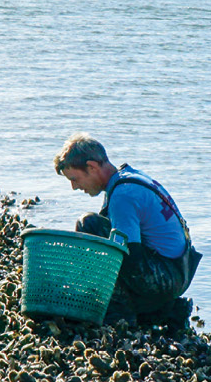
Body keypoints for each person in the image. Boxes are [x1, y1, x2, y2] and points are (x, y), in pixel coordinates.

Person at [54, 134, 201, 325]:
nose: (74, 187)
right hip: (180, 269)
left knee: (89, 224)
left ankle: (120, 314)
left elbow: (129, 256)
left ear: (92, 166)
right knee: (104, 231)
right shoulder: (128, 178)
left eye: (75, 179)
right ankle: (163, 310)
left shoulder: (123, 195)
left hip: (166, 277)